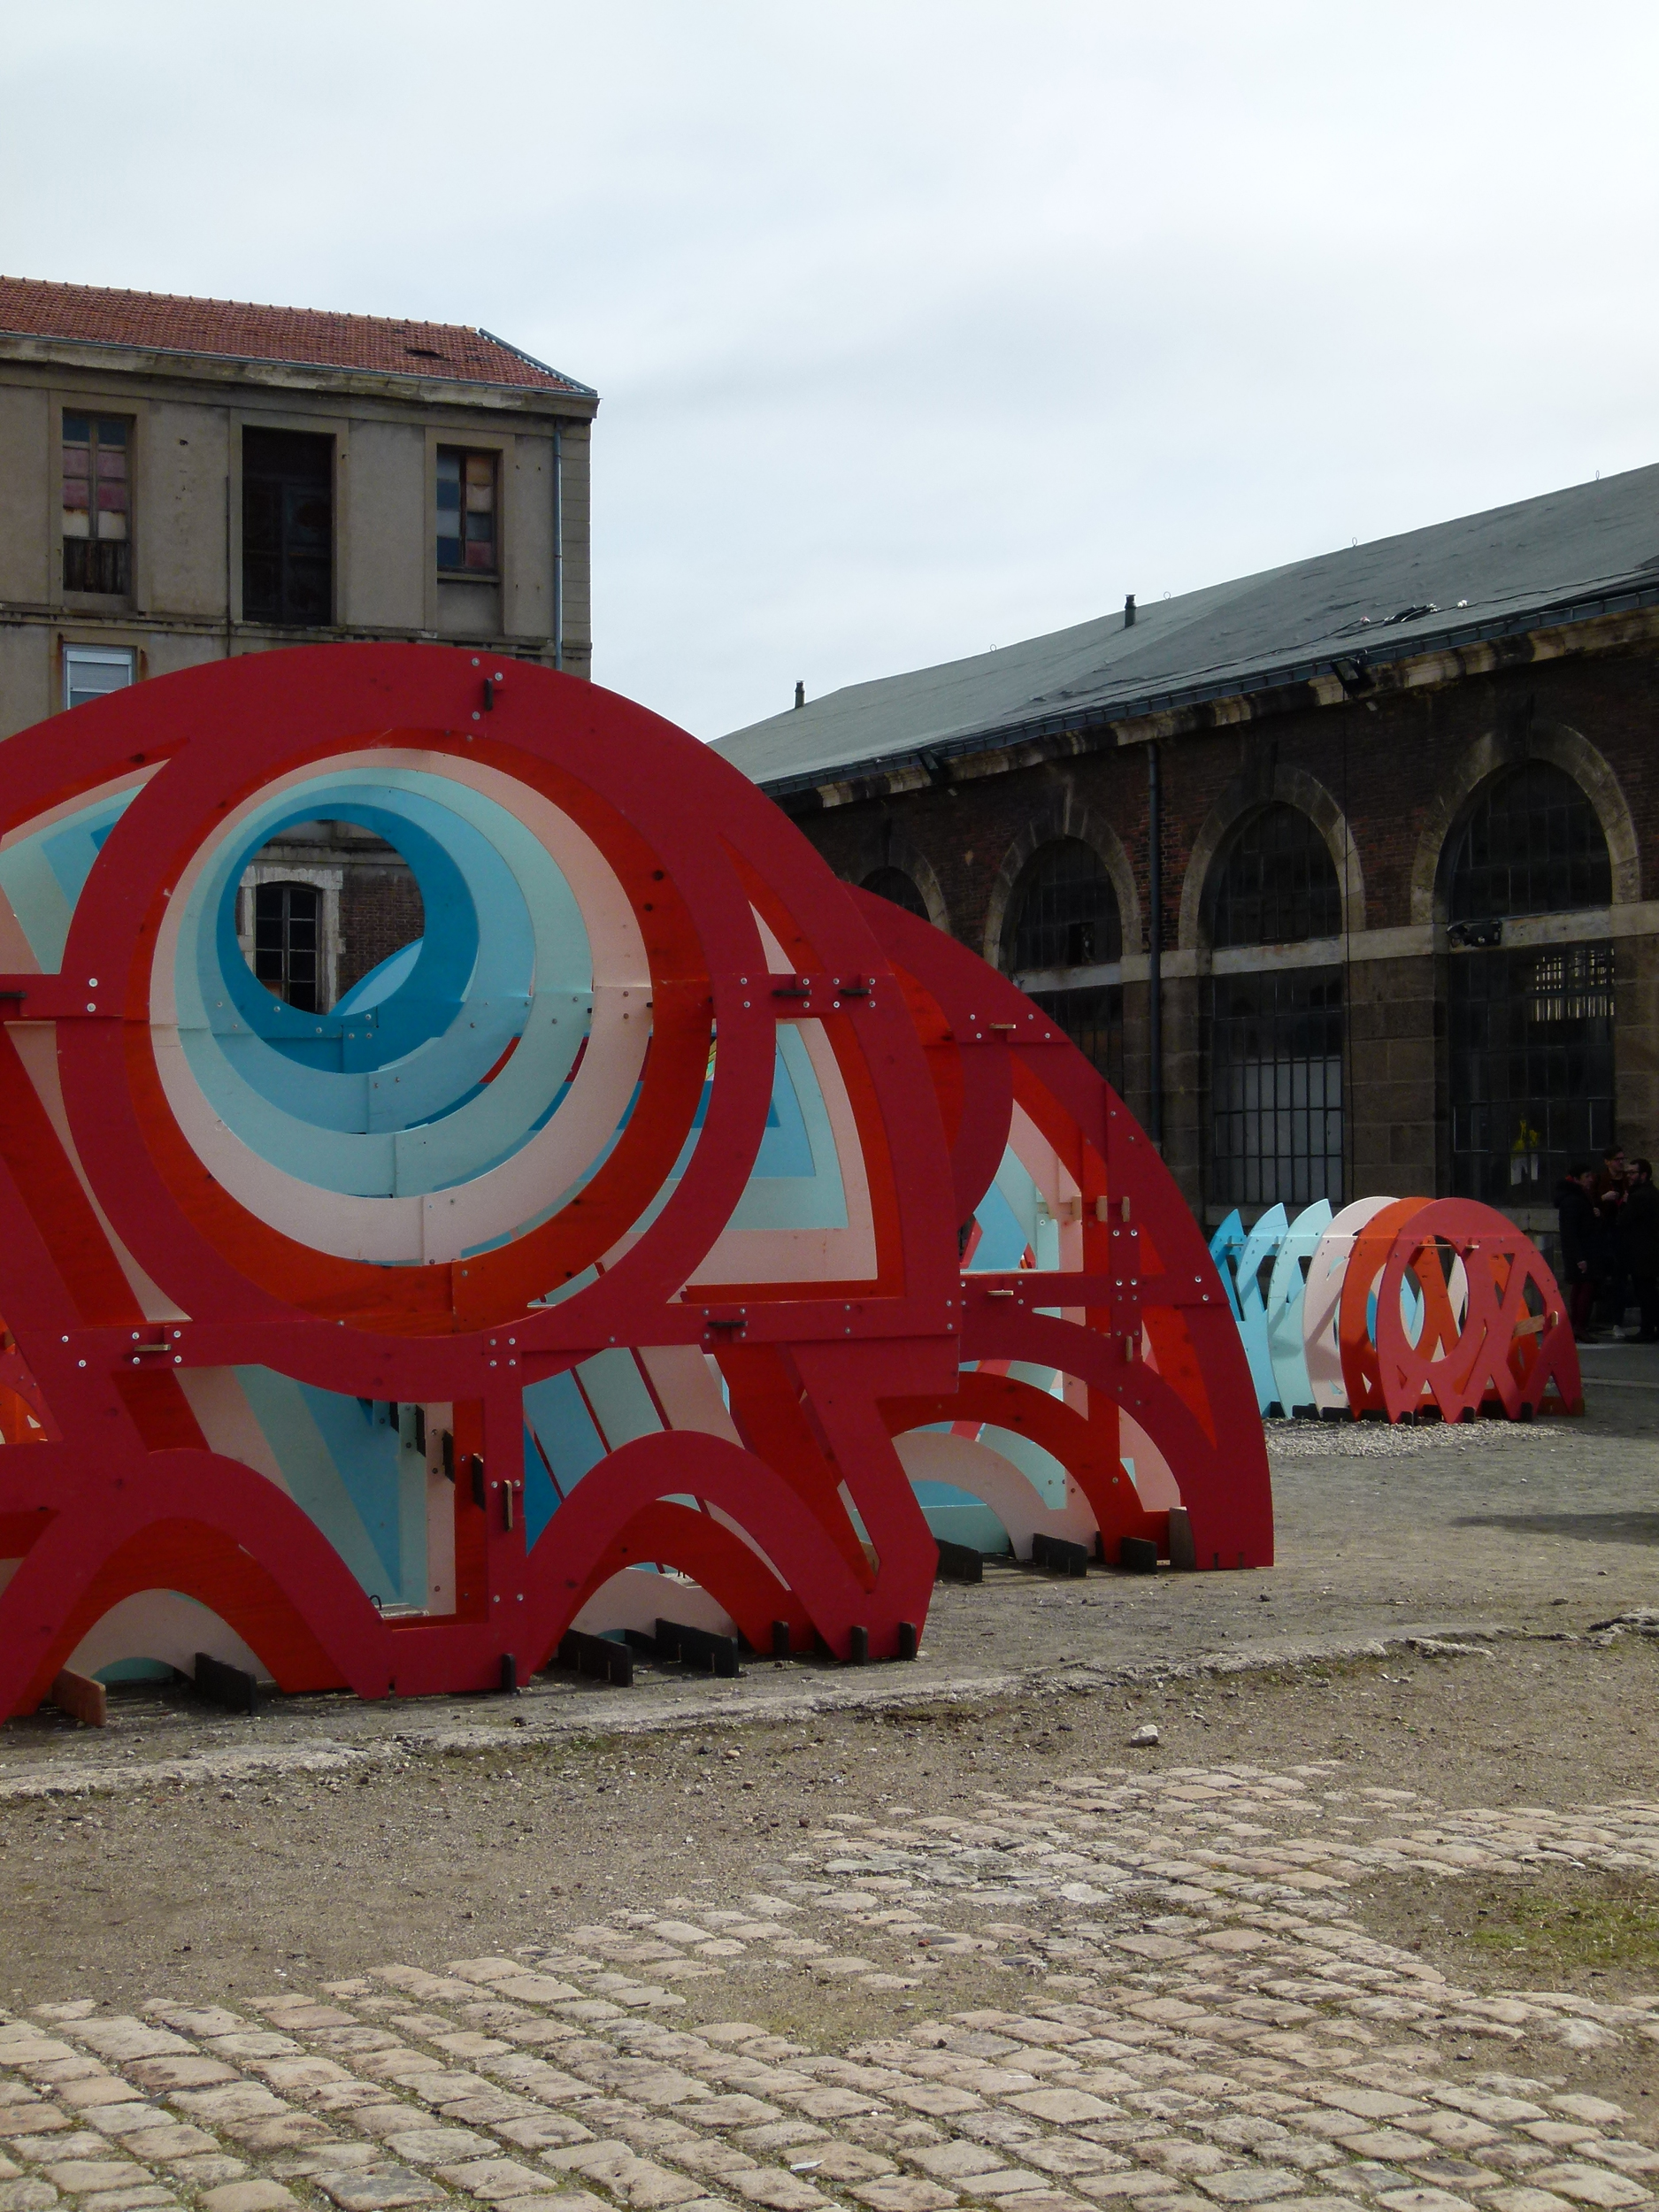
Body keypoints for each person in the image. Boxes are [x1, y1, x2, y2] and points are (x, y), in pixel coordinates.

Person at [1556, 1164, 1600, 1338]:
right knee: (1584, 1288)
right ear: (1576, 1179)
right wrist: (1579, 1257)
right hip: (1582, 1251)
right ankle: (1579, 1326)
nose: (1590, 1180)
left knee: (1580, 1287)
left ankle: (1577, 1325)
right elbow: (1570, 1231)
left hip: (1584, 1249)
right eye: (1586, 1176)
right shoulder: (1573, 1200)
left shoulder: (1580, 1197)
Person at [1618, 1158, 1659, 1342]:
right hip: (1649, 1251)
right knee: (1649, 1292)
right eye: (1628, 1172)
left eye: (1633, 1173)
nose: (1629, 1176)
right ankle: (1651, 1327)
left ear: (1644, 1175)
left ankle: (1647, 1330)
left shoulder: (1639, 1196)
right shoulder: (1652, 1192)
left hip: (1641, 1253)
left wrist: (1625, 1203)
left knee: (1644, 1293)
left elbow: (1624, 1221)